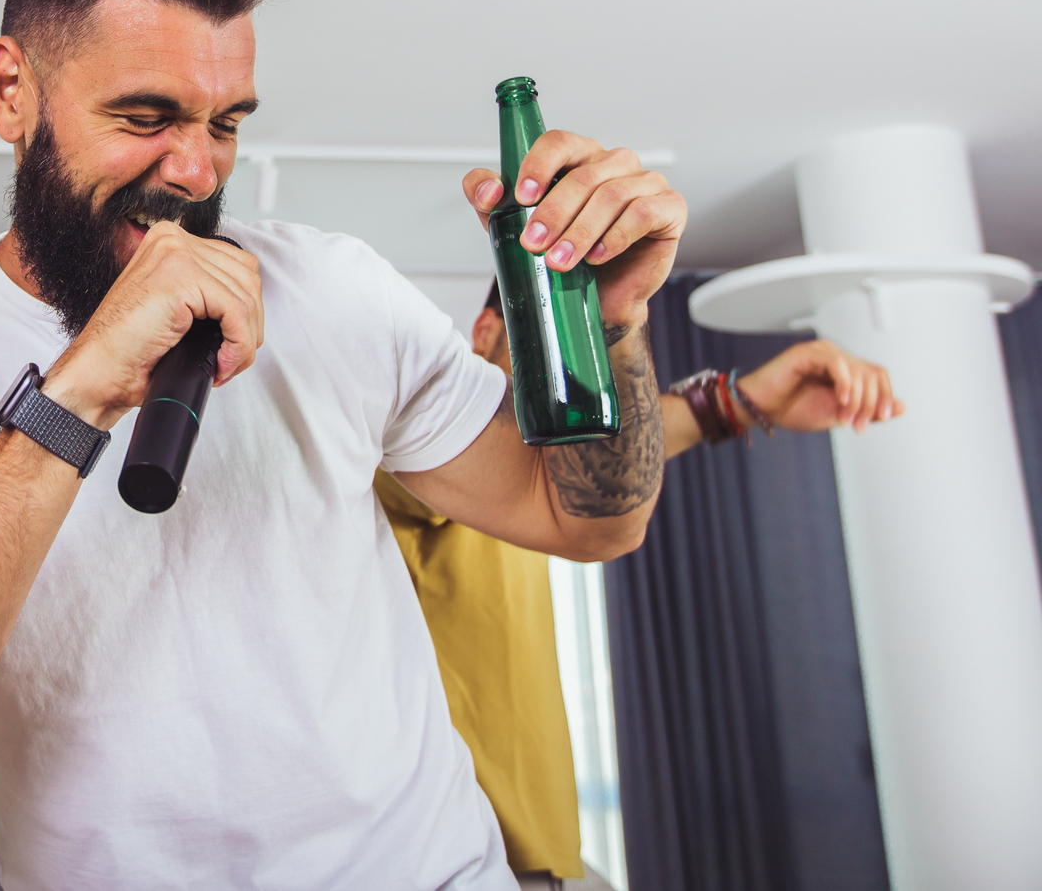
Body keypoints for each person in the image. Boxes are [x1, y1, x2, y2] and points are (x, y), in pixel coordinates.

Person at [0, 0, 685, 889]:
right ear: (8, 89)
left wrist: (611, 327)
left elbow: (590, 519)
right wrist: (73, 393)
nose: (197, 170)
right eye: (145, 115)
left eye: (225, 121)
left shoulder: (331, 288)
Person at [375, 281, 904, 889]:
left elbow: (604, 471)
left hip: (545, 855)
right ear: (488, 333)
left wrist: (740, 400)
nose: (576, 374)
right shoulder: (407, 448)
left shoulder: (550, 478)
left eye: (593, 353)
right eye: (556, 340)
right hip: (463, 856)